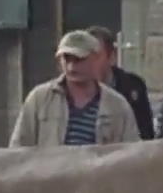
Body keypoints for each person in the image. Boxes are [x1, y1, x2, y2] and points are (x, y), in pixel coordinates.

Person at [9, 31, 138, 147]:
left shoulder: (117, 105)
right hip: (50, 172)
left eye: (79, 60)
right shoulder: (40, 99)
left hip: (97, 172)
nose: (71, 67)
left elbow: (131, 154)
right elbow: (18, 148)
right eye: (66, 59)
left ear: (95, 59)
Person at [86, 26, 155, 140]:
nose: (88, 63)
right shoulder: (66, 91)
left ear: (112, 57)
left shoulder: (133, 87)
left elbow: (146, 134)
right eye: (83, 57)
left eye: (95, 56)